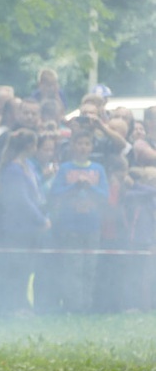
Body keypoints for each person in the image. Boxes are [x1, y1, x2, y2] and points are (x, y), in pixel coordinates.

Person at [47, 129, 109, 313]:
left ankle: (86, 306)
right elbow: (55, 193)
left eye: (87, 144)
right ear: (73, 146)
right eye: (79, 143)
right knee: (72, 267)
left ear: (91, 147)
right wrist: (74, 186)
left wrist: (90, 187)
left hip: (92, 225)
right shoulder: (65, 168)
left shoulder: (98, 169)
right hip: (70, 225)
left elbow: (105, 196)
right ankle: (72, 306)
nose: (83, 147)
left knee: (89, 268)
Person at [0, 129, 50, 316]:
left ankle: (21, 303)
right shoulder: (13, 170)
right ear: (28, 146)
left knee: (26, 268)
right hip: (16, 228)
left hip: (29, 229)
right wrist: (40, 219)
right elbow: (21, 200)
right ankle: (12, 306)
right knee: (15, 268)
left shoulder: (29, 166)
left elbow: (36, 193)